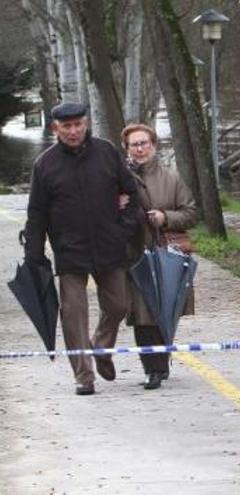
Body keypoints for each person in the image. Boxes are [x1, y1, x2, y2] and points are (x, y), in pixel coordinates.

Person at [23, 102, 141, 396]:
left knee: (118, 306)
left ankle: (101, 348)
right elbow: (36, 214)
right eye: (67, 127)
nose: (74, 131)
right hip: (69, 251)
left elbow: (132, 192)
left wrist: (123, 230)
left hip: (109, 245)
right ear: (55, 129)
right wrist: (34, 258)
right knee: (73, 313)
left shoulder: (107, 152)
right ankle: (84, 376)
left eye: (78, 125)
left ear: (86, 124)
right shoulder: (45, 165)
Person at [121, 123, 198, 390]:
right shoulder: (119, 179)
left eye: (144, 143)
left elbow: (191, 213)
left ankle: (162, 362)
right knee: (142, 314)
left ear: (153, 145)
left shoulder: (172, 178)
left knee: (166, 309)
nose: (140, 149)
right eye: (134, 144)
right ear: (127, 149)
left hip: (167, 254)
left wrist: (166, 218)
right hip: (134, 256)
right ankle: (152, 369)